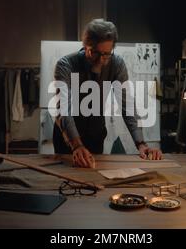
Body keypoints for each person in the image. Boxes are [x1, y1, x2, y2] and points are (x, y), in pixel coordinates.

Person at [53, 19, 162, 168]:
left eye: (106, 54)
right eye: (95, 53)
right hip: (68, 139)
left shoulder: (116, 64)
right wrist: (77, 145)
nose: (101, 60)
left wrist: (141, 143)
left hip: (95, 136)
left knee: (95, 178)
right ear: (85, 46)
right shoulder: (65, 64)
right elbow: (64, 110)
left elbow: (127, 105)